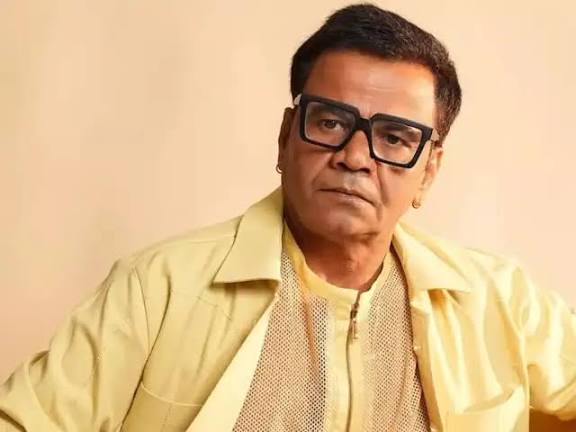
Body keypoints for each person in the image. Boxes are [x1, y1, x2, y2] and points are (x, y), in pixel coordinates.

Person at [1, 3, 575, 431]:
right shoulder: (158, 289)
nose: (355, 156)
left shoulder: (500, 299)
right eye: (330, 122)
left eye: (394, 137)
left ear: (428, 171)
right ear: (285, 137)